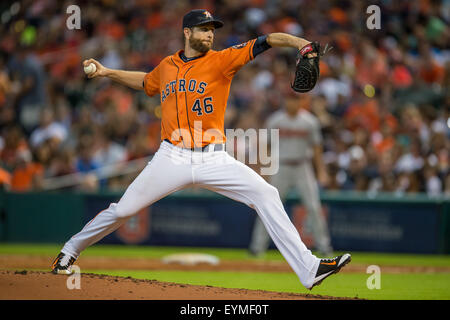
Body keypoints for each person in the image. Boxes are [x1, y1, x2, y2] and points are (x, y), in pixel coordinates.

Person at [51, 9, 351, 290]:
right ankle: (70, 251)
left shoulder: (223, 60)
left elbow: (268, 40)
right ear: (186, 32)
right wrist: (106, 73)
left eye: (212, 30)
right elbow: (146, 82)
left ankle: (309, 268)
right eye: (204, 29)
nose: (210, 34)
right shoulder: (167, 66)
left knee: (267, 194)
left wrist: (301, 44)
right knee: (124, 210)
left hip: (214, 158)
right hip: (172, 157)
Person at [249, 91, 334, 257]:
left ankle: (324, 247)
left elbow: (317, 148)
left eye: (295, 100)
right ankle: (257, 247)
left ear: (301, 101)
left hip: (303, 166)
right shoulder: (275, 120)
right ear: (285, 100)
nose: (292, 103)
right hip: (280, 166)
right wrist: (264, 170)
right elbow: (265, 146)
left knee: (314, 207)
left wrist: (321, 171)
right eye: (289, 99)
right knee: (268, 206)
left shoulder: (309, 121)